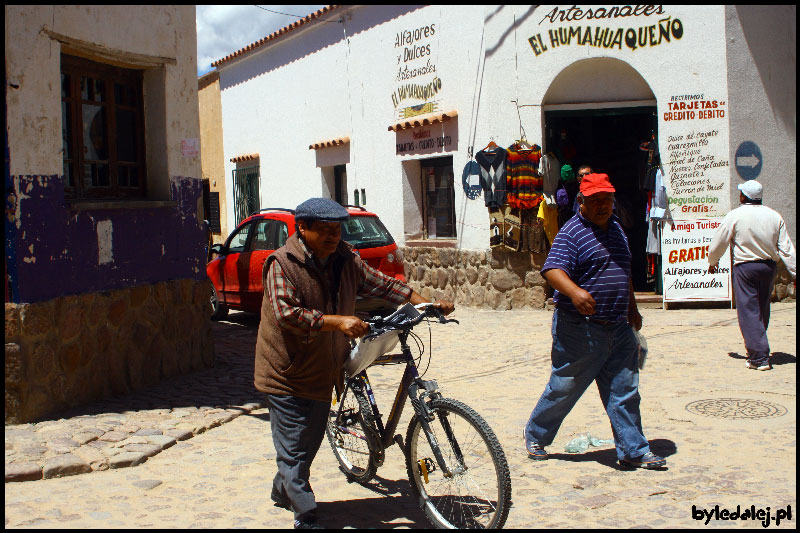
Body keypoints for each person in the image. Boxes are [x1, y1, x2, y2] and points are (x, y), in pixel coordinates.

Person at [254, 197, 454, 529]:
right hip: (286, 372)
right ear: (302, 229)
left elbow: (386, 284)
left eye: (337, 230)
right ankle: (306, 515)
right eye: (325, 231)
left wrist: (426, 304)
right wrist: (336, 322)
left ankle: (283, 487)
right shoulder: (282, 263)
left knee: (308, 441)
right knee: (294, 445)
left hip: (325, 368)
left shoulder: (344, 258)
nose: (334, 237)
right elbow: (285, 314)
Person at [524, 173, 666, 470]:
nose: (603, 206)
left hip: (618, 325)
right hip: (579, 329)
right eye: (596, 200)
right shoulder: (572, 232)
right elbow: (552, 270)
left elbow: (622, 270)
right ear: (581, 201)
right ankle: (535, 435)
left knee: (625, 390)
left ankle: (633, 450)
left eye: (608, 199)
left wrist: (633, 307)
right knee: (565, 387)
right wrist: (575, 293)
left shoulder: (615, 228)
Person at [707, 180, 796, 371]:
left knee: (749, 311)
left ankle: (759, 357)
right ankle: (757, 347)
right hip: (768, 267)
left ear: (743, 196)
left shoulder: (735, 215)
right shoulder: (774, 216)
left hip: (745, 268)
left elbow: (719, 242)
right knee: (762, 309)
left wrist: (712, 262)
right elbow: (787, 248)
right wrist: (794, 272)